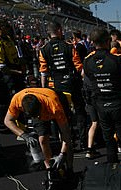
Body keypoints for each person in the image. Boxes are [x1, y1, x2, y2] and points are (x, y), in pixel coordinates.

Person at [83, 28, 121, 163]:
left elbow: (88, 78)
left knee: (109, 141)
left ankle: (112, 169)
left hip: (100, 104)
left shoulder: (87, 61)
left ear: (92, 43)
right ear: (108, 41)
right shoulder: (119, 59)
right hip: (118, 103)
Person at [39, 21, 87, 151]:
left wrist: (44, 91)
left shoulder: (43, 49)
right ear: (59, 30)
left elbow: (43, 72)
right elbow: (79, 67)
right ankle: (83, 142)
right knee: (80, 113)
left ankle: (66, 142)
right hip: (72, 84)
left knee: (61, 115)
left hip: (56, 86)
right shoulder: (70, 47)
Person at [3, 88, 73, 170]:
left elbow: (66, 133)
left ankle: (70, 168)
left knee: (64, 138)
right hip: (36, 107)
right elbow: (7, 121)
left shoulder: (54, 106)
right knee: (42, 140)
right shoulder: (17, 100)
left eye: (38, 114)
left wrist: (62, 154)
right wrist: (24, 135)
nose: (39, 117)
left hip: (56, 100)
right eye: (34, 116)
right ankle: (49, 167)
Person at [0, 19, 25, 96]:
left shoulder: (8, 39)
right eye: (7, 27)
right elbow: (1, 67)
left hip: (18, 75)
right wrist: (17, 72)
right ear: (1, 28)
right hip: (10, 78)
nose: (9, 29)